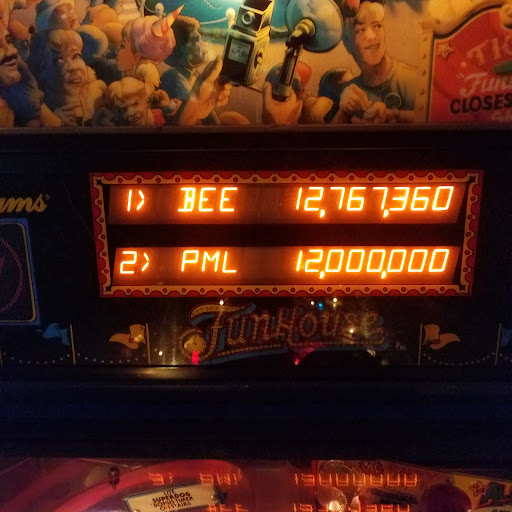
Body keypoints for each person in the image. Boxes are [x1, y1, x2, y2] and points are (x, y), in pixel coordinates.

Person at [325, 0, 417, 124]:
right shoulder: (349, 90)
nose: (372, 36)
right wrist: (343, 112)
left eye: (377, 26)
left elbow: (430, 118)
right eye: (360, 30)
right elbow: (329, 134)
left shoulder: (411, 79)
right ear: (347, 42)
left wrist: (392, 115)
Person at [29, 28, 106, 126]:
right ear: (42, 71)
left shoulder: (100, 98)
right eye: (58, 60)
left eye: (76, 56)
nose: (73, 67)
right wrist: (55, 120)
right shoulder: (42, 112)